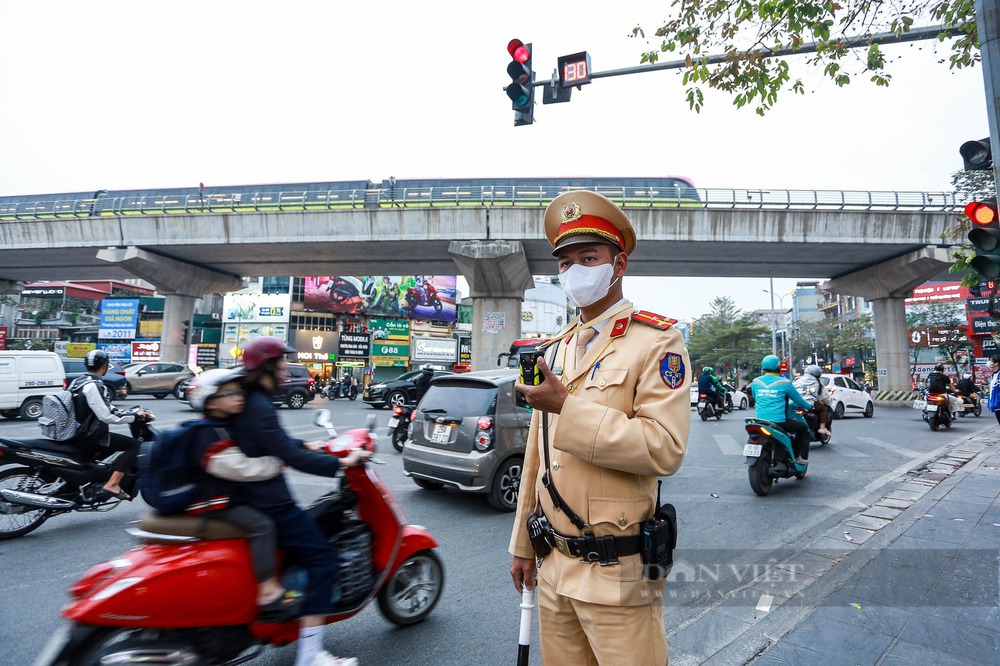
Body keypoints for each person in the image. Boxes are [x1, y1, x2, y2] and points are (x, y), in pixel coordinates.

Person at [509, 190, 689, 665]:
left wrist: (567, 407)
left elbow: (664, 447)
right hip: (553, 568)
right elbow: (536, 455)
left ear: (619, 263)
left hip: (618, 574)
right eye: (565, 263)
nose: (575, 272)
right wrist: (523, 547)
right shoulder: (556, 348)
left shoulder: (656, 341)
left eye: (588, 258)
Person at [232, 337, 370, 666]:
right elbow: (287, 454)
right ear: (267, 367)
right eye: (281, 365)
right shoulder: (260, 405)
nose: (285, 371)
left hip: (246, 497)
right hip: (269, 502)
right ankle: (310, 655)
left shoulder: (250, 399)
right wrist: (340, 463)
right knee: (322, 560)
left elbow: (272, 441)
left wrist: (306, 445)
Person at [185, 368, 301, 619]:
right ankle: (267, 589)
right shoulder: (207, 433)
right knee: (263, 525)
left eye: (239, 392)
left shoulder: (224, 425)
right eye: (230, 394)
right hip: (208, 503)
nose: (239, 397)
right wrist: (280, 461)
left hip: (219, 496)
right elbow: (243, 469)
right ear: (210, 401)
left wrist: (295, 447)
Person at [70, 349, 152, 500]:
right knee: (135, 446)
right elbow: (106, 416)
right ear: (105, 366)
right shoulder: (94, 385)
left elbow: (98, 406)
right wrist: (134, 417)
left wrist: (121, 410)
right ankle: (113, 483)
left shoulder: (79, 381)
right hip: (89, 435)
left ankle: (96, 480)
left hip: (76, 432)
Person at [750, 355, 814, 466]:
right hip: (778, 421)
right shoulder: (785, 383)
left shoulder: (755, 382)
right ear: (778, 367)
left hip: (759, 421)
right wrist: (810, 407)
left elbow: (756, 398)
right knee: (803, 428)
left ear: (763, 368)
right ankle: (797, 457)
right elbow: (798, 401)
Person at [793, 365, 832, 436]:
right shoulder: (817, 383)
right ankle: (822, 428)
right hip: (809, 403)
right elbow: (820, 397)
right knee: (823, 409)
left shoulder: (797, 381)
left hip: (795, 403)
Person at [987, 355, 1000, 426]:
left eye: (991, 360)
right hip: (996, 404)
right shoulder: (994, 375)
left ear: (996, 363)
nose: (989, 362)